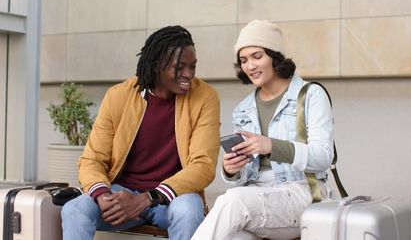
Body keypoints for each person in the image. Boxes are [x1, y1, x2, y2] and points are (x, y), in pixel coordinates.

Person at [61, 25, 221, 240]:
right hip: (122, 194)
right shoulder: (118, 96)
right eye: (180, 67)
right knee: (75, 209)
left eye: (193, 66)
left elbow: (202, 166)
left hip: (172, 197)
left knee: (189, 211)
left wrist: (149, 198)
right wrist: (102, 195)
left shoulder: (205, 97)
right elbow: (92, 159)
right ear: (157, 65)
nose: (189, 75)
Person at [191, 20, 333, 240]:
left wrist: (272, 146)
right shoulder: (243, 110)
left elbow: (323, 156)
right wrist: (232, 170)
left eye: (258, 56)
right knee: (232, 234)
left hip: (302, 192)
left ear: (275, 56)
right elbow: (246, 177)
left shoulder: (310, 95)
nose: (250, 66)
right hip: (257, 196)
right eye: (244, 60)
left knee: (232, 200)